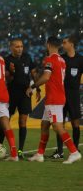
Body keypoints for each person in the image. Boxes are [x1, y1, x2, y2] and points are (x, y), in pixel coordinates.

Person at [26, 36, 81, 164]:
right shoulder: (62, 60)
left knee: (57, 126)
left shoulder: (50, 59)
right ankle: (40, 154)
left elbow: (46, 77)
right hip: (57, 96)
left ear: (48, 44)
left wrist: (33, 87)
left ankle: (74, 152)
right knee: (44, 125)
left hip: (54, 98)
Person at [0, 38, 37, 159]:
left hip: (25, 94)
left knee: (22, 122)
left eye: (21, 46)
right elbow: (5, 79)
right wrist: (11, 72)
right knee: (5, 121)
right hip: (11, 94)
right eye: (17, 46)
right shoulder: (6, 60)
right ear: (11, 47)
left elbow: (34, 73)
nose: (20, 49)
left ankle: (20, 151)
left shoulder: (27, 57)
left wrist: (38, 88)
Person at [51, 34, 82, 158]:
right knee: (60, 124)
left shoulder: (80, 59)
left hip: (74, 95)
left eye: (64, 43)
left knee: (75, 123)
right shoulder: (61, 59)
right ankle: (60, 151)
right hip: (61, 94)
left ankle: (75, 149)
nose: (62, 45)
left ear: (71, 44)